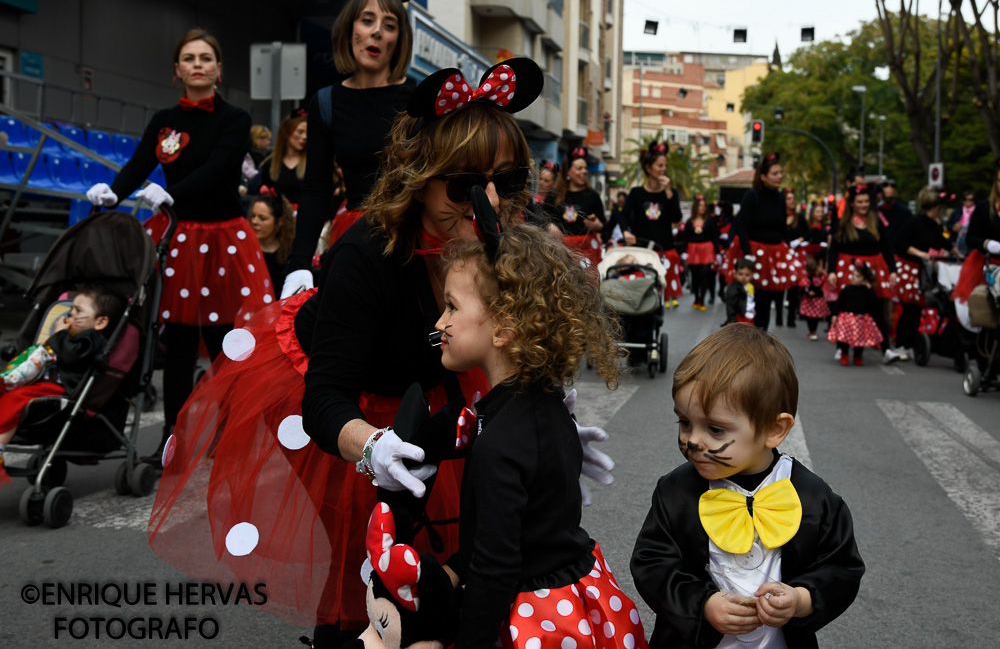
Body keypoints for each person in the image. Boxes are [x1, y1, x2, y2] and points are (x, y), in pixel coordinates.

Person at [148, 59, 611, 648]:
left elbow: (523, 343)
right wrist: (372, 443)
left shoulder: (504, 245)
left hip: (432, 382)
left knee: (453, 561)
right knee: (364, 578)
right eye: (464, 184)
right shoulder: (368, 254)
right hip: (349, 399)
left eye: (510, 181)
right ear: (422, 175)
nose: (488, 200)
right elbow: (324, 401)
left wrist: (551, 426)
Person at [433, 222, 645, 649]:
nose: (440, 322)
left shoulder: (501, 440)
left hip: (533, 617)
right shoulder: (547, 405)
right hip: (573, 599)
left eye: (452, 307)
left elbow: (495, 565)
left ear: (504, 327)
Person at [85, 28, 267, 463]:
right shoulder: (165, 120)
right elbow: (139, 163)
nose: (198, 64)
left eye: (206, 57)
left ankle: (232, 431)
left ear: (219, 69)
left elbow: (221, 166)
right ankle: (175, 442)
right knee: (179, 346)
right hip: (181, 238)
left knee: (227, 342)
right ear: (177, 70)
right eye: (189, 58)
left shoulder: (235, 118)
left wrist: (173, 194)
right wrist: (114, 192)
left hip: (224, 238)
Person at [630, 324, 865, 648]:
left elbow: (842, 567)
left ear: (774, 429)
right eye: (685, 422)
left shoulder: (813, 499)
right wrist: (703, 604)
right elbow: (652, 563)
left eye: (715, 429)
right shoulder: (676, 492)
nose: (693, 440)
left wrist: (800, 598)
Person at [281, 0, 417, 298]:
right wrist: (299, 263)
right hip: (354, 241)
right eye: (367, 20)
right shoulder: (325, 102)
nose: (377, 32)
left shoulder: (417, 100)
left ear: (398, 40)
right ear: (349, 29)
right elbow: (316, 188)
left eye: (389, 25)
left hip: (412, 241)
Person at [0, 287, 125, 470]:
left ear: (100, 322)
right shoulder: (73, 337)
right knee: (10, 396)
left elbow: (71, 357)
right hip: (47, 384)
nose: (70, 315)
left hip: (61, 388)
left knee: (16, 399)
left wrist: (59, 334)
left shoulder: (92, 340)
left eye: (78, 311)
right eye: (71, 309)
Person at [723, 153, 799, 330]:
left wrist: (790, 253)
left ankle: (760, 342)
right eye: (775, 173)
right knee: (749, 300)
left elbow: (782, 228)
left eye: (780, 172)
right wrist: (748, 254)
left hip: (773, 255)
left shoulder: (780, 198)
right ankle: (744, 339)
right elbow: (742, 227)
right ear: (763, 176)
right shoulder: (752, 196)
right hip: (753, 254)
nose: (779, 176)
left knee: (766, 302)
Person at [827, 183, 900, 363]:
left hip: (873, 270)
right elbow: (833, 250)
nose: (864, 205)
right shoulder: (842, 223)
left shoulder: (876, 221)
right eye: (860, 202)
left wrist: (893, 270)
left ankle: (886, 349)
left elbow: (887, 247)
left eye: (866, 201)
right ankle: (840, 347)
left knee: (877, 309)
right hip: (847, 268)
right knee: (845, 309)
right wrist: (830, 271)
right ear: (852, 203)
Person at [893, 187, 953, 358]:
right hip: (908, 267)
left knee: (917, 309)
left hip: (922, 270)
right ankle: (901, 344)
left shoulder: (934, 224)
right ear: (934, 208)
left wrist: (955, 252)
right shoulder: (915, 221)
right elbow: (900, 242)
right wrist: (921, 254)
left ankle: (910, 344)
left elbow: (942, 242)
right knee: (909, 308)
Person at [621, 141, 683, 305]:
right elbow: (622, 216)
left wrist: (669, 192)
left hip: (665, 251)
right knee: (643, 299)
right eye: (659, 165)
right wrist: (626, 231)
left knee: (661, 302)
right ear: (648, 168)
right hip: (643, 252)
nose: (663, 169)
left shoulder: (671, 193)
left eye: (665, 165)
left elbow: (677, 218)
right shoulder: (636, 193)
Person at [952, 161, 1000, 326]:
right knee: (983, 310)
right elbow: (971, 236)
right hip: (986, 262)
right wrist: (987, 244)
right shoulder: (984, 207)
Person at [828, 262, 886, 366]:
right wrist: (834, 315)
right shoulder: (846, 289)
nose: (854, 278)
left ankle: (858, 356)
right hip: (847, 318)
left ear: (864, 279)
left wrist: (870, 289)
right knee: (845, 339)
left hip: (861, 318)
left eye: (858, 276)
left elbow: (873, 304)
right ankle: (844, 354)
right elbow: (839, 303)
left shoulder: (866, 291)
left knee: (860, 340)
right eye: (853, 275)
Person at [251, 110, 307, 206]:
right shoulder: (270, 163)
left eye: (307, 133)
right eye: (300, 132)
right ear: (286, 132)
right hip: (278, 217)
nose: (305, 137)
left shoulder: (312, 163)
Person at [248, 189, 296, 294]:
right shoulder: (245, 250)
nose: (254, 222)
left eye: (262, 218)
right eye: (253, 216)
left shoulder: (290, 255)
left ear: (279, 222)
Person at [682, 195, 719, 310]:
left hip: (707, 249)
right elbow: (685, 238)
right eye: (700, 206)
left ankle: (702, 299)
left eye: (704, 206)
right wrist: (684, 251)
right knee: (695, 276)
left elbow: (715, 237)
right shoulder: (689, 222)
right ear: (695, 207)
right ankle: (696, 297)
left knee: (705, 275)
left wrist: (717, 252)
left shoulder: (710, 221)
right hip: (693, 250)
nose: (702, 208)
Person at [782, 188, 808, 328]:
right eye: (789, 199)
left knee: (793, 286)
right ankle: (779, 316)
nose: (792, 202)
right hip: (781, 255)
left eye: (793, 199)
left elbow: (808, 233)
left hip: (796, 256)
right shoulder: (779, 217)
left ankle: (791, 317)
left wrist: (799, 240)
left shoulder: (800, 217)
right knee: (779, 286)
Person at [798, 257, 830, 341]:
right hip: (809, 301)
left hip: (818, 300)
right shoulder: (808, 279)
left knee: (816, 317)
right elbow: (804, 288)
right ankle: (811, 330)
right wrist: (808, 292)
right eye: (820, 267)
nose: (822, 269)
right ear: (815, 269)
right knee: (809, 317)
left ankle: (813, 331)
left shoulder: (822, 277)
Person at [723, 258, 755, 325]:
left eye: (747, 275)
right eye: (740, 274)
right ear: (735, 274)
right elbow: (730, 305)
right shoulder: (734, 288)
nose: (743, 277)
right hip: (739, 316)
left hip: (750, 315)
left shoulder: (751, 286)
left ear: (752, 275)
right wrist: (732, 319)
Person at [946, 190, 977, 258]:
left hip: (970, 244)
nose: (968, 202)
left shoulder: (977, 211)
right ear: (962, 200)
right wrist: (954, 227)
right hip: (956, 241)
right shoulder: (957, 211)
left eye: (970, 200)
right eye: (966, 199)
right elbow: (948, 225)